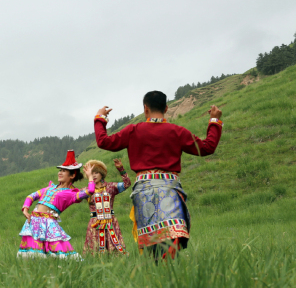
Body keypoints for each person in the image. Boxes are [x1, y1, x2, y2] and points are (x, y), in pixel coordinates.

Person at [93, 91, 223, 259]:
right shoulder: (177, 131)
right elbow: (206, 148)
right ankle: (168, 270)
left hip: (144, 190)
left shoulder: (133, 130)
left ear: (145, 109)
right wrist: (214, 121)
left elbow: (104, 141)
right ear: (167, 108)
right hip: (169, 188)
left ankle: (155, 272)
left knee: (152, 239)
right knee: (172, 234)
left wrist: (99, 118)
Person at [18, 151, 96, 259]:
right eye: (60, 170)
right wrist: (25, 210)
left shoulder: (71, 194)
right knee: (33, 255)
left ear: (72, 175)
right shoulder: (49, 188)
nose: (60, 173)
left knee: (60, 255)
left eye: (64, 171)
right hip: (34, 222)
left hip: (49, 224)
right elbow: (31, 196)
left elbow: (90, 191)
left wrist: (90, 177)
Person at [83, 159, 132, 255]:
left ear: (102, 173)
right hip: (95, 222)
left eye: (96, 172)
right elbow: (72, 195)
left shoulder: (111, 187)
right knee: (94, 250)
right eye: (91, 173)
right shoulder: (86, 191)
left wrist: (121, 169)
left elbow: (127, 184)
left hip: (110, 221)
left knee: (115, 249)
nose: (94, 175)